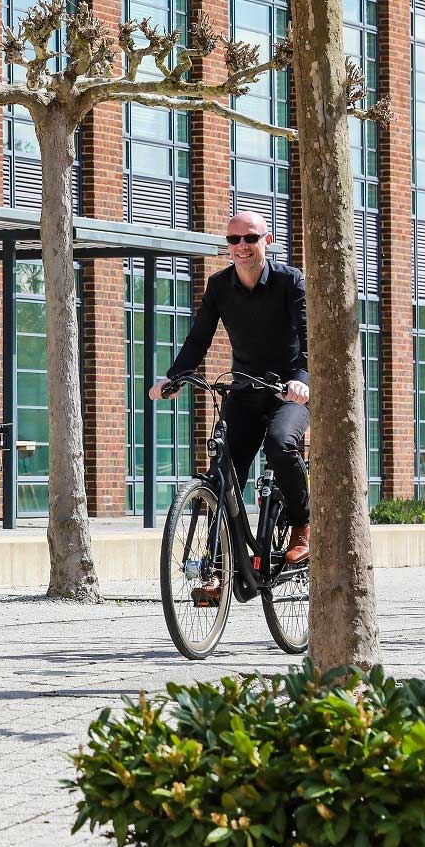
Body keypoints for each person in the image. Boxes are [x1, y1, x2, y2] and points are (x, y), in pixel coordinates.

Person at [150, 211, 311, 603]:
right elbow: (198, 338)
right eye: (234, 240)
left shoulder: (290, 281)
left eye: (250, 238)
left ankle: (303, 526)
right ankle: (219, 570)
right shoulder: (220, 286)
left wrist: (302, 381)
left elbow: (309, 338)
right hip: (244, 392)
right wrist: (175, 378)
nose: (241, 247)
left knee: (280, 444)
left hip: (289, 392)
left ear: (266, 240)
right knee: (221, 478)